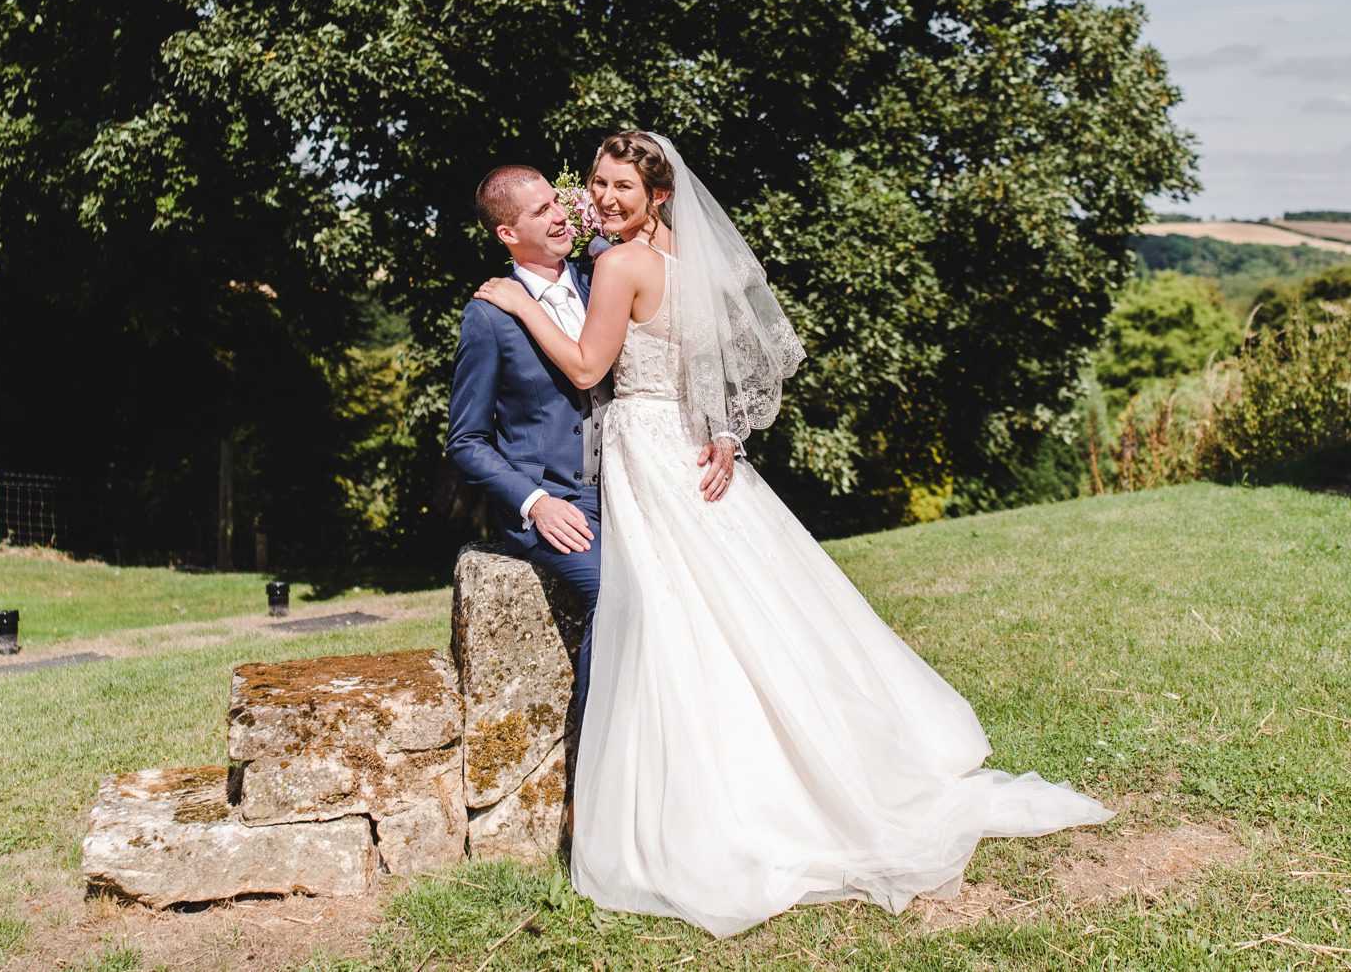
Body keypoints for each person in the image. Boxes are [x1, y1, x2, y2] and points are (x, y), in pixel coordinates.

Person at [472, 131, 1111, 937]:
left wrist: (520, 301)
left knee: (675, 617)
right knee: (742, 604)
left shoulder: (620, 264)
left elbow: (591, 368)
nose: (603, 199)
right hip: (686, 448)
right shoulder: (682, 260)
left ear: (658, 196)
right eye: (597, 183)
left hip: (647, 450)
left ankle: (727, 804)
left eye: (622, 187)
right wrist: (729, 436)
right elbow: (720, 366)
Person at [445, 164, 736, 734]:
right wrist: (534, 503)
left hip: (638, 483)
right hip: (559, 504)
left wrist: (722, 428)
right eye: (540, 212)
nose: (560, 216)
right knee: (623, 596)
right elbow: (466, 441)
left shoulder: (602, 273)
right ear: (507, 233)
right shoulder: (487, 316)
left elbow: (684, 335)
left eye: (558, 202)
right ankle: (591, 775)